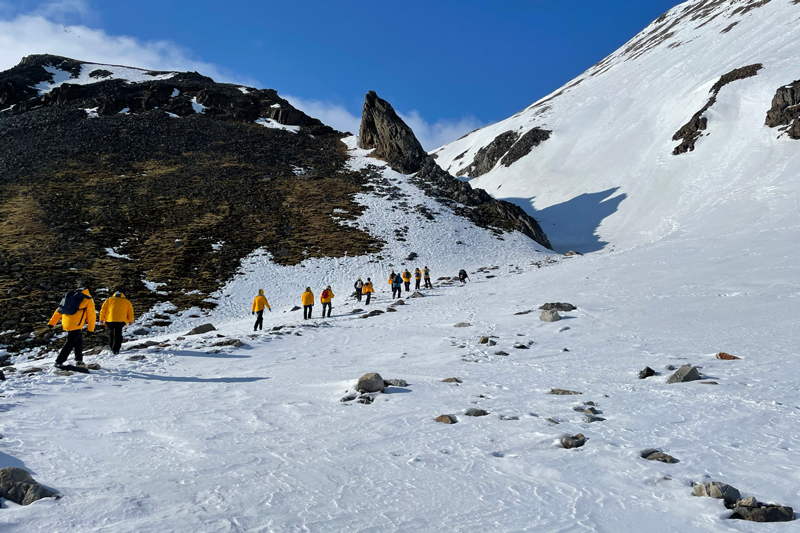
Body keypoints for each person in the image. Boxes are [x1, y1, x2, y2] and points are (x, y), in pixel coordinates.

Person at [48, 288, 96, 368]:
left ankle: (79, 360)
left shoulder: (70, 297)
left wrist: (52, 322)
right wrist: (90, 329)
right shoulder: (88, 299)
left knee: (78, 340)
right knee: (70, 342)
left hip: (66, 322)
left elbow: (59, 310)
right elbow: (91, 316)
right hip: (76, 324)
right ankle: (59, 361)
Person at [99, 290, 134, 355]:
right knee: (118, 334)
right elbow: (130, 312)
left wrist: (101, 318)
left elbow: (103, 309)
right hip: (121, 320)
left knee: (111, 333)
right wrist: (130, 320)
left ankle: (111, 347)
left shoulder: (109, 300)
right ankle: (116, 349)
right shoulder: (126, 301)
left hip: (110, 320)